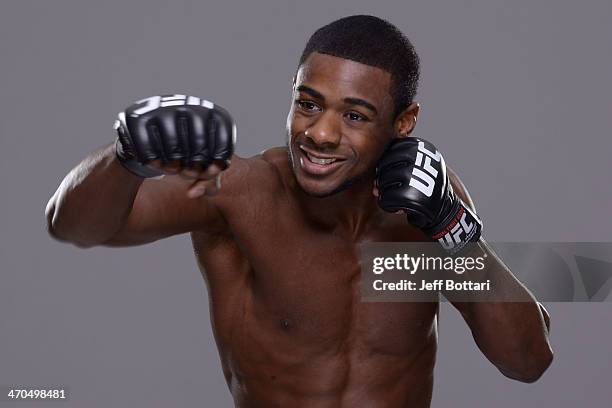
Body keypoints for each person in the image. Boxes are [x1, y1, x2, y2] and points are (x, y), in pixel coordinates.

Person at [45, 15, 552, 407]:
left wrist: (455, 232)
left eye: (354, 115)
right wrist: (125, 156)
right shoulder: (240, 190)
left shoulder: (427, 207)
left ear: (405, 121)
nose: (320, 134)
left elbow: (527, 361)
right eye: (308, 103)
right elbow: (74, 228)